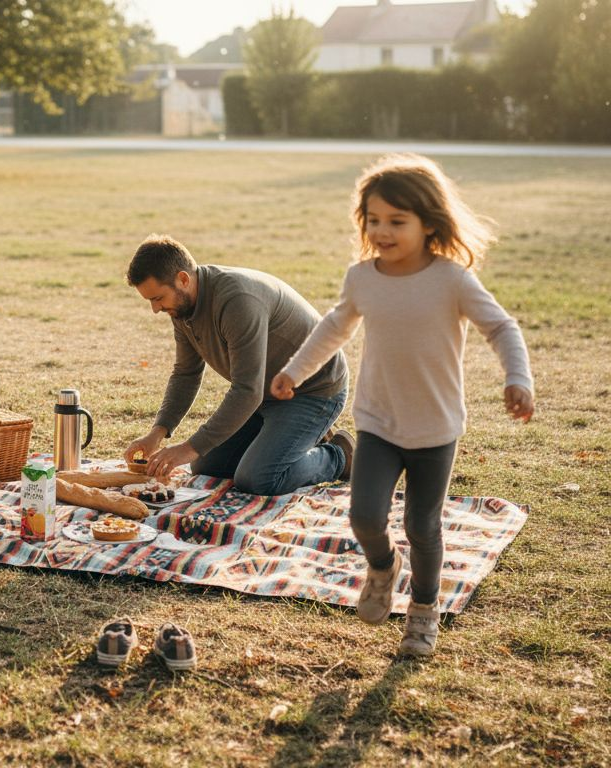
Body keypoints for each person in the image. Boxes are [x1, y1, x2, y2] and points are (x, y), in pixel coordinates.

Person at [271, 153, 534, 657]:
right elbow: (333, 328)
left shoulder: (451, 279)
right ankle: (382, 565)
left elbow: (501, 327)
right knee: (365, 516)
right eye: (373, 220)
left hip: (435, 427)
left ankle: (422, 611)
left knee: (423, 524)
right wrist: (293, 372)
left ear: (428, 223)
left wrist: (517, 377)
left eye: (397, 221)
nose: (382, 230)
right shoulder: (363, 278)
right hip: (378, 421)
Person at [122, 235, 351, 496]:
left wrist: (187, 447)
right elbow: (186, 374)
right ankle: (286, 441)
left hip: (313, 391)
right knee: (205, 464)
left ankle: (339, 455)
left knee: (257, 479)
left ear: (183, 279)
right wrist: (157, 433)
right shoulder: (182, 308)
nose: (155, 309)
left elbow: (246, 391)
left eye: (158, 298)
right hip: (264, 393)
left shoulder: (237, 301)